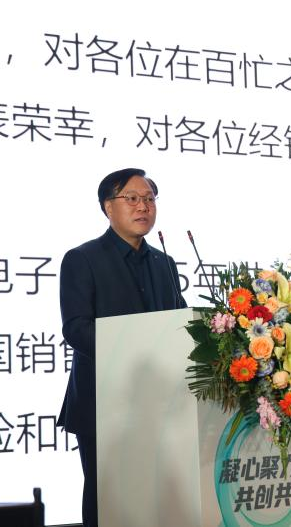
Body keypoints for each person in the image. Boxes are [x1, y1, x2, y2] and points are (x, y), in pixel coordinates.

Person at [57, 167, 187, 527]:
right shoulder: (82, 259)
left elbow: (179, 324)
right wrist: (135, 351)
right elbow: (76, 328)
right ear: (108, 206)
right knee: (108, 505)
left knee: (157, 504)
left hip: (161, 407)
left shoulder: (164, 263)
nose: (143, 206)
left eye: (149, 199)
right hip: (105, 405)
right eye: (132, 198)